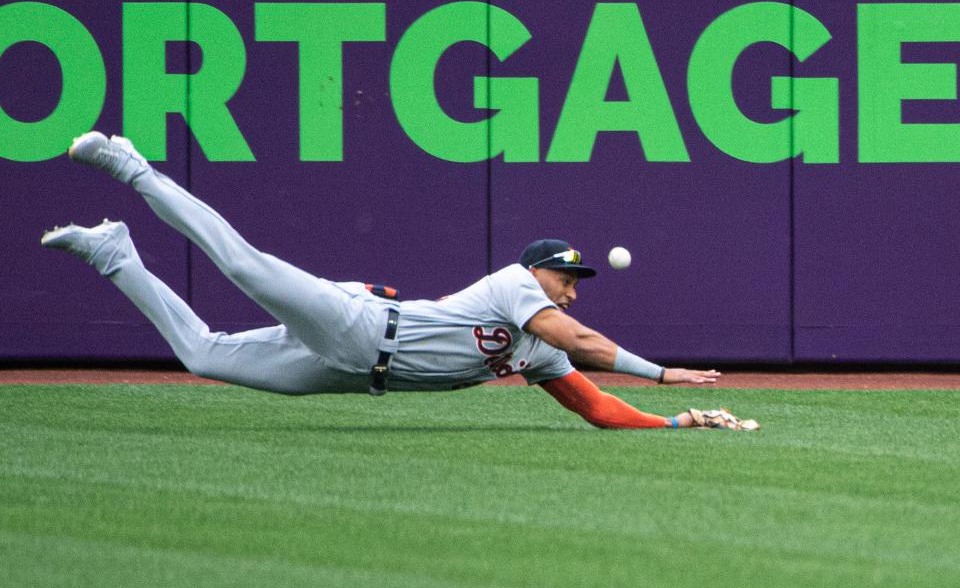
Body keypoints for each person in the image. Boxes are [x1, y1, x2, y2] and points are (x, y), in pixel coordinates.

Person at [41, 132, 759, 431]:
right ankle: (129, 165)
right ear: (536, 269)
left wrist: (674, 423)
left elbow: (596, 407)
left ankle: (113, 253)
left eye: (576, 279)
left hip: (350, 373)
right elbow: (584, 342)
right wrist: (665, 374)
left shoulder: (539, 350)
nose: (572, 287)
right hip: (356, 326)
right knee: (240, 263)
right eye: (565, 276)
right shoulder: (517, 287)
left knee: (202, 355)